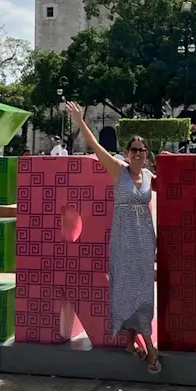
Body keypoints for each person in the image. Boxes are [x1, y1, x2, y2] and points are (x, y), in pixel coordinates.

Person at [65, 101, 160, 374]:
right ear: (127, 153)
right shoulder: (119, 171)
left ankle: (131, 342)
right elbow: (96, 147)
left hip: (144, 240)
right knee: (128, 289)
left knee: (143, 290)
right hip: (123, 239)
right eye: (134, 150)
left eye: (143, 150)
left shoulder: (149, 176)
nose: (139, 154)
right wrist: (81, 122)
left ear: (147, 154)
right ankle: (150, 348)